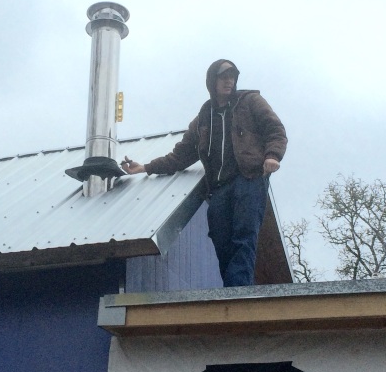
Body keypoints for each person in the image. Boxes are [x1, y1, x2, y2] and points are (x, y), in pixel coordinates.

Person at [122, 59, 287, 286]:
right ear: (212, 81)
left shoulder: (250, 102)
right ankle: (232, 289)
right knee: (220, 239)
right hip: (219, 187)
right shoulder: (203, 118)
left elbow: (275, 129)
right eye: (223, 76)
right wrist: (145, 167)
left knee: (244, 235)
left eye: (232, 76)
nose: (229, 81)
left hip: (249, 179)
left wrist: (272, 156)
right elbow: (180, 156)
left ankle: (237, 294)